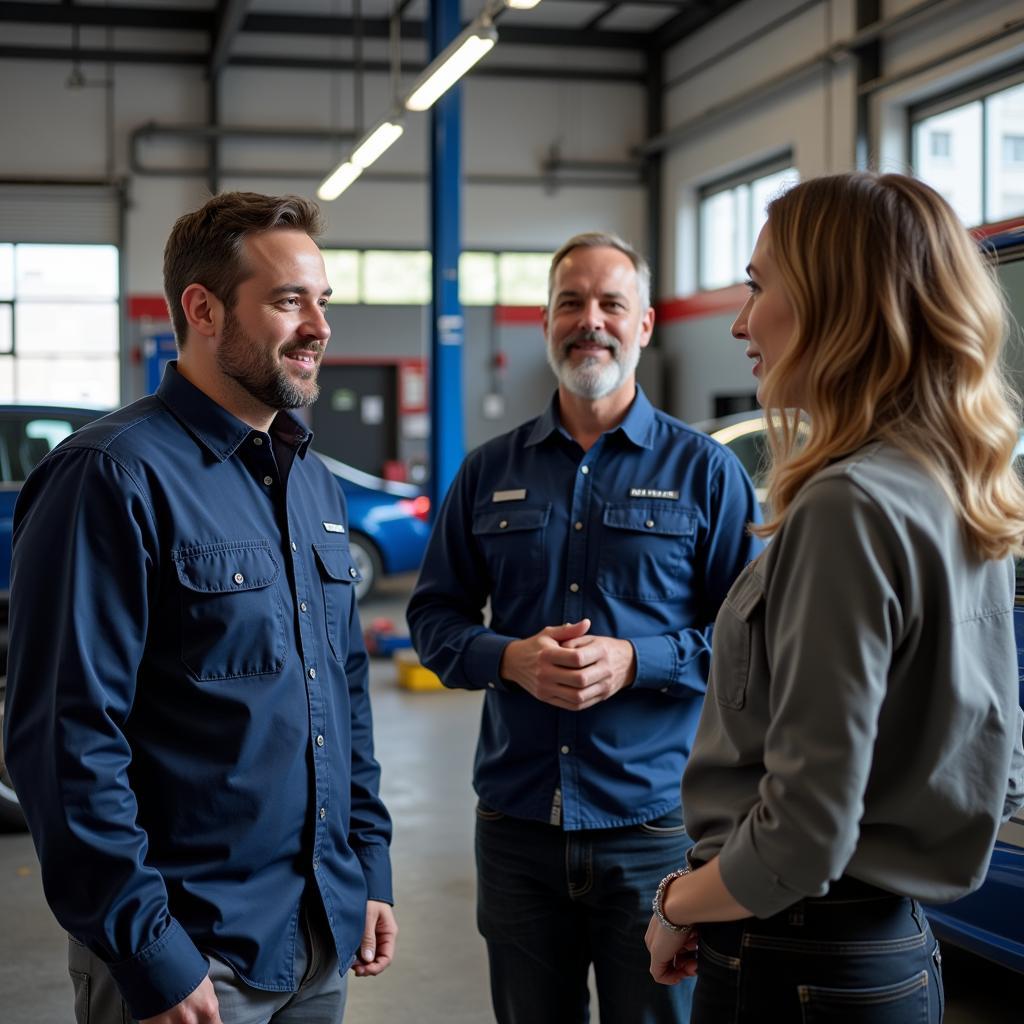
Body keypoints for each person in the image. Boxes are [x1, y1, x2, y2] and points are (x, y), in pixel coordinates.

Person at [3, 192, 397, 1024]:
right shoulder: (110, 477)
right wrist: (149, 948)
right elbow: (63, 738)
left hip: (320, 936)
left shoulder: (312, 479)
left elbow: (345, 696)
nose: (320, 326)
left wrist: (367, 867)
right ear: (203, 309)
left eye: (322, 301)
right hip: (193, 955)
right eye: (291, 300)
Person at [645, 172, 1024, 1022]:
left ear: (835, 301)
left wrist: (679, 903)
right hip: (888, 949)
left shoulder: (848, 506)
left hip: (794, 955)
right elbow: (998, 769)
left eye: (758, 284)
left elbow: (801, 837)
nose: (741, 322)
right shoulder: (963, 490)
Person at [407, 231, 762, 1023]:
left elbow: (754, 643)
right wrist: (508, 659)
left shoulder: (705, 473)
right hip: (516, 828)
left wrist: (640, 659)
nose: (589, 320)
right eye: (571, 302)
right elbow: (433, 617)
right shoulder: (487, 472)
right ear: (546, 322)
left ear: (645, 325)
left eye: (611, 303)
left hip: (655, 830)